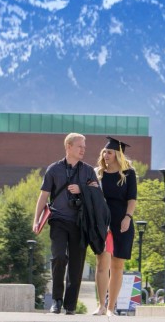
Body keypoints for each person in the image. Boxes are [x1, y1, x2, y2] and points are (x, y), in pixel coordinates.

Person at [33, 133, 98, 315]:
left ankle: (70, 306)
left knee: (76, 265)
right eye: (80, 146)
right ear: (68, 146)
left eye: (84, 147)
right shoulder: (54, 169)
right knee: (59, 257)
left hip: (80, 222)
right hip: (58, 220)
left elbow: (97, 194)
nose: (83, 149)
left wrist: (81, 189)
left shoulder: (88, 171)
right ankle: (56, 300)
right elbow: (44, 196)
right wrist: (36, 220)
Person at [93, 137, 137, 316]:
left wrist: (128, 217)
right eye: (104, 152)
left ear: (117, 155)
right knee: (102, 263)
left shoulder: (129, 174)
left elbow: (132, 199)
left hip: (122, 223)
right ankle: (101, 305)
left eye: (109, 152)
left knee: (117, 265)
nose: (106, 155)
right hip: (103, 223)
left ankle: (111, 307)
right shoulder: (97, 174)